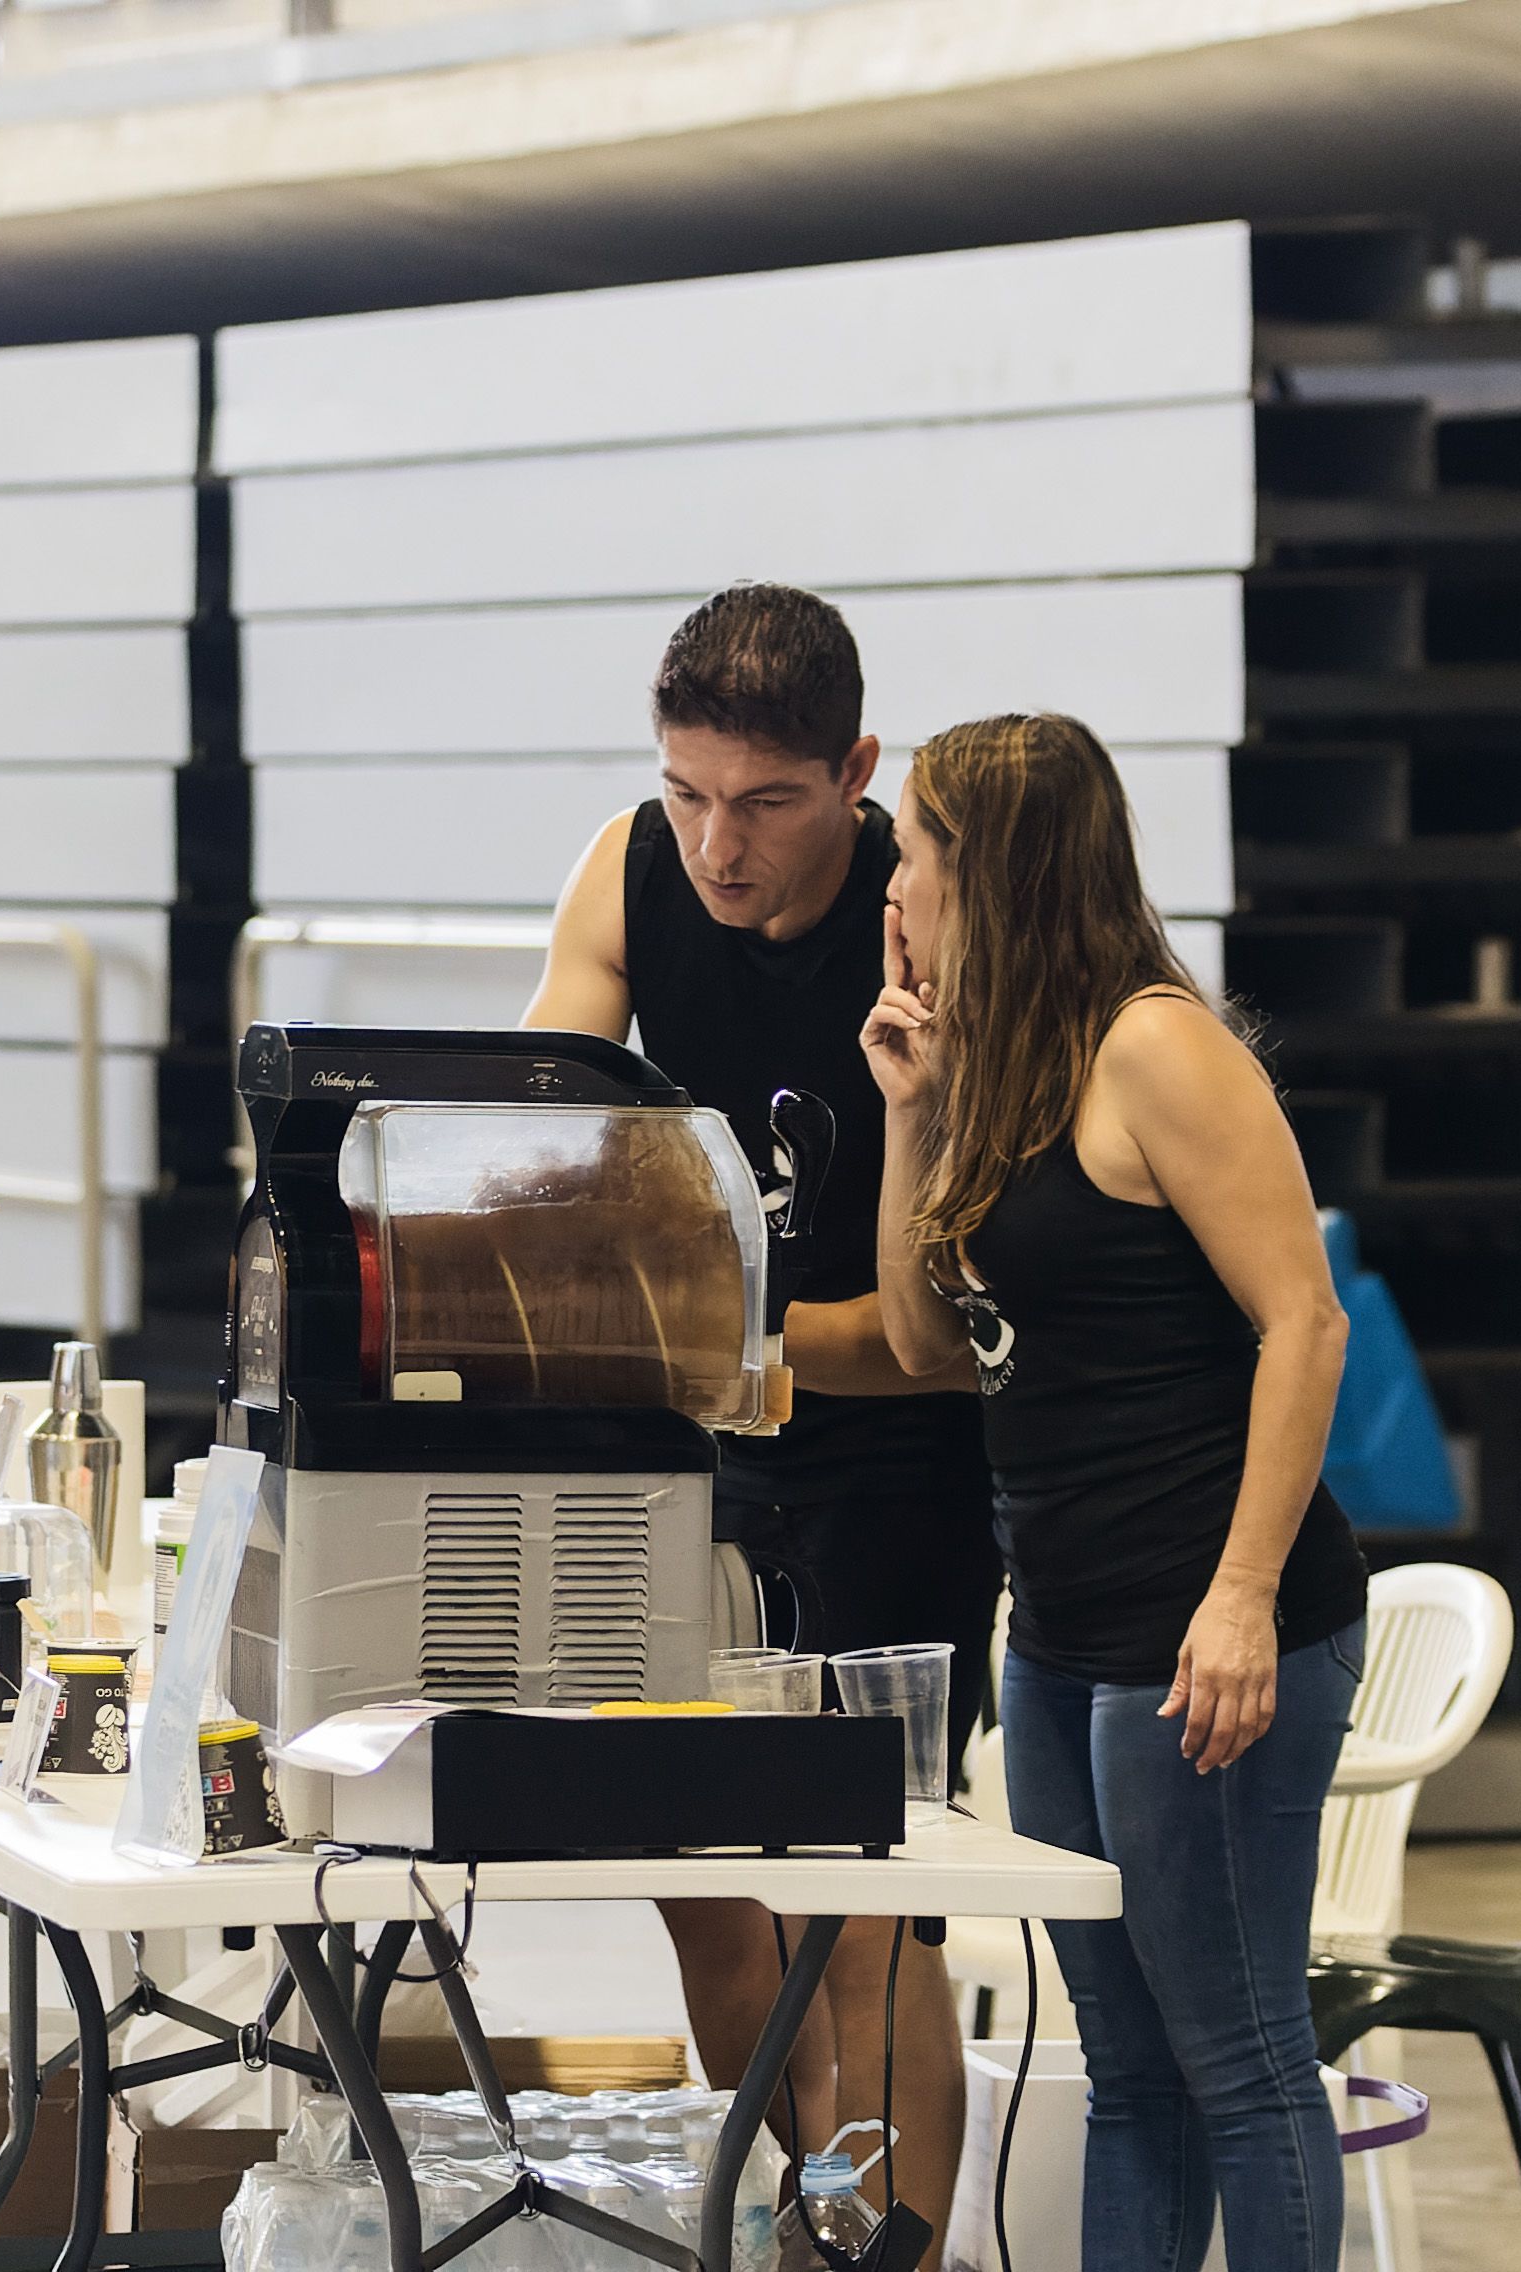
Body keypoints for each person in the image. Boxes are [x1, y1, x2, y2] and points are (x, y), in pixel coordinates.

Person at [860, 713, 1367, 2272]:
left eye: (915, 857)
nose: (896, 888)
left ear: (988, 874)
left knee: (1239, 2053)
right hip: (1068, 1630)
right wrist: (908, 1111)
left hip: (1202, 1626)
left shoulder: (1157, 1049)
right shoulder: (1005, 1070)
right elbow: (923, 1341)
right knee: (1130, 2070)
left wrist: (1241, 1598)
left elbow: (1306, 1319)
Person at [525, 582, 999, 2237]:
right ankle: (794, 2226)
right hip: (691, 1463)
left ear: (857, 773)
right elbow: (531, 1156)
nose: (719, 846)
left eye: (769, 803)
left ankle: (891, 2248)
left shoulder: (931, 915)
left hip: (899, 1470)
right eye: (689, 793)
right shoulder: (629, 865)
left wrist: (701, 1333)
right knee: (708, 1899)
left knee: (865, 1919)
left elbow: (930, 1342)